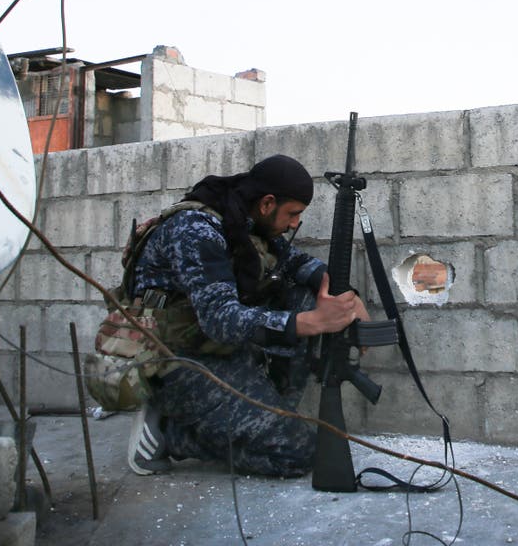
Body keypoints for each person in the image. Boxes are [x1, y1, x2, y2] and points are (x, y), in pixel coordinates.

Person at [125, 154, 367, 477]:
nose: (295, 224)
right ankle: (170, 433)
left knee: (306, 297)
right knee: (298, 454)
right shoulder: (198, 231)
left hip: (216, 349)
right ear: (268, 203)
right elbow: (220, 319)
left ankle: (268, 421)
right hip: (178, 360)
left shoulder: (244, 218)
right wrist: (312, 323)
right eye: (292, 214)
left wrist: (345, 296)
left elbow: (295, 262)